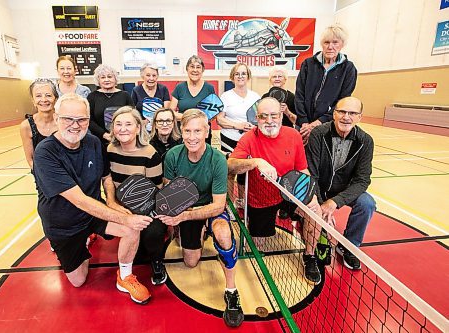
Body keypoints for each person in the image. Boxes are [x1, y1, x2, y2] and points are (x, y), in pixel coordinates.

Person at [33, 93, 153, 304]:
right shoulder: (45, 152)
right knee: (79, 280)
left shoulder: (93, 142)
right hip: (64, 223)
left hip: (92, 215)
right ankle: (81, 243)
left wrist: (112, 202)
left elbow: (106, 177)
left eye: (81, 119)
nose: (75, 125)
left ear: (89, 120)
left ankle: (124, 276)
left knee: (132, 228)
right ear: (56, 118)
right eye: (68, 119)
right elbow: (79, 200)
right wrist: (123, 217)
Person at [158, 109, 244, 327]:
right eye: (187, 130)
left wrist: (185, 216)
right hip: (186, 210)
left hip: (209, 210)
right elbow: (170, 191)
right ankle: (199, 234)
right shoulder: (172, 156)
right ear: (181, 131)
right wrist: (174, 218)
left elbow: (218, 205)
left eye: (198, 130)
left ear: (208, 132)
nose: (192, 136)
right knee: (190, 262)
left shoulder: (217, 160)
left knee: (224, 233)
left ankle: (231, 291)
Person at [227, 97, 323, 285]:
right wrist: (256, 162)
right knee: (258, 247)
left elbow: (302, 169)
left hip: (289, 192)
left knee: (315, 211)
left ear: (281, 116)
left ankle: (310, 255)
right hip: (260, 198)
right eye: (264, 116)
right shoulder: (249, 138)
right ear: (257, 118)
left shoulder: (293, 135)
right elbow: (230, 166)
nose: (269, 121)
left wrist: (311, 195)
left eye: (274, 115)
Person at [305, 96, 375, 270]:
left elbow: (362, 180)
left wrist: (335, 202)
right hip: (317, 188)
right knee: (310, 213)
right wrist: (320, 204)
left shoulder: (366, 141)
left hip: (343, 192)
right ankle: (310, 252)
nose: (346, 117)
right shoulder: (318, 134)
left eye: (352, 113)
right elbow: (311, 172)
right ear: (334, 114)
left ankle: (348, 246)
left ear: (360, 117)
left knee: (367, 203)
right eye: (342, 111)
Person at [107, 106, 168, 285]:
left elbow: (155, 191)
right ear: (113, 128)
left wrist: (139, 214)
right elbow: (108, 181)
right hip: (120, 206)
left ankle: (157, 261)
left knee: (153, 233)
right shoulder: (109, 150)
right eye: (118, 124)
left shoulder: (150, 154)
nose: (123, 129)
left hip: (147, 206)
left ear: (138, 128)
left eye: (128, 124)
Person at [295, 24, 357, 144]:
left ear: (342, 44)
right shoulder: (308, 64)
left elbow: (342, 102)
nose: (330, 47)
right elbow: (299, 94)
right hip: (303, 126)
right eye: (326, 42)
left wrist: (318, 122)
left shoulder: (349, 69)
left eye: (335, 42)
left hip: (327, 124)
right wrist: (304, 122)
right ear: (321, 44)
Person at [216, 62, 258, 154]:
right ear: (232, 77)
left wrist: (254, 127)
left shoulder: (256, 97)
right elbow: (219, 119)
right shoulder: (225, 96)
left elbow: (260, 119)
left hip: (250, 140)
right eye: (237, 74)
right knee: (230, 167)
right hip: (229, 139)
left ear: (248, 77)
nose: (240, 76)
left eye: (243, 73)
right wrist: (237, 125)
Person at [87, 64, 134, 144]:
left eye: (109, 76)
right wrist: (104, 135)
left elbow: (133, 117)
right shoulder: (92, 96)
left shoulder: (125, 95)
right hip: (99, 140)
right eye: (103, 77)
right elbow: (89, 120)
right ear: (98, 80)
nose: (106, 80)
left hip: (123, 139)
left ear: (115, 79)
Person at [20, 78, 58, 170]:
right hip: (42, 175)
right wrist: (43, 177)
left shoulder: (64, 121)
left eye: (48, 95)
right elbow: (31, 160)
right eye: (38, 96)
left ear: (56, 99)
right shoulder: (26, 126)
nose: (44, 100)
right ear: (33, 100)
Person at [169, 55, 215, 122]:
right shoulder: (179, 87)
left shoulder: (209, 88)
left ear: (203, 70)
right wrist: (191, 118)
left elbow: (212, 115)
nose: (195, 70)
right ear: (187, 69)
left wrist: (193, 120)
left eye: (198, 67)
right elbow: (171, 113)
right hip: (183, 129)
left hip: (202, 130)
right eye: (192, 67)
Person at [131, 63, 171, 130]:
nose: (151, 78)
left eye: (154, 75)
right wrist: (141, 122)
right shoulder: (136, 90)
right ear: (142, 76)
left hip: (160, 127)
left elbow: (166, 110)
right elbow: (132, 111)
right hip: (142, 128)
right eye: (148, 75)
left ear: (157, 76)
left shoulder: (163, 89)